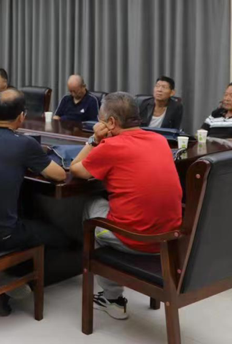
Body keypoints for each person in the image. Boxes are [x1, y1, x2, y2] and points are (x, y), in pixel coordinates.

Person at [70, 92, 182, 320]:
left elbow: (76, 169)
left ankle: (112, 298)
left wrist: (93, 140)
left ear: (111, 123)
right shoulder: (159, 140)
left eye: (101, 120)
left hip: (138, 240)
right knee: (107, 201)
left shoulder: (111, 146)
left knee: (91, 206)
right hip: (170, 237)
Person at [0, 89, 70, 314]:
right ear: (22, 116)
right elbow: (59, 175)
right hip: (3, 235)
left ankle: (0, 273)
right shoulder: (24, 144)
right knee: (61, 236)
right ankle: (4, 275)